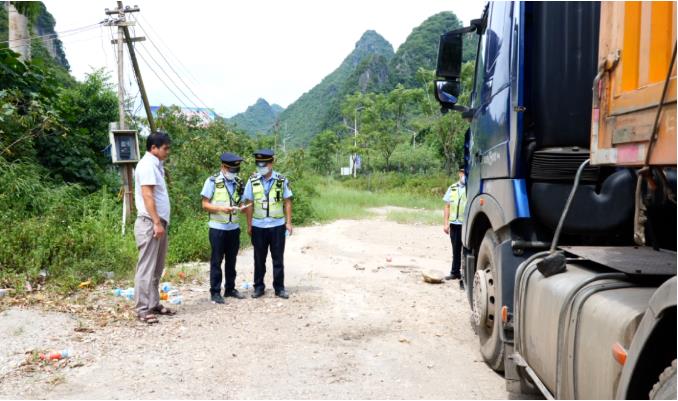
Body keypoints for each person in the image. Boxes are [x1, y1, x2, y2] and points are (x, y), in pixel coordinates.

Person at [133, 131, 174, 324]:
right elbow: (148, 195)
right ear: (153, 148)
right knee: (146, 267)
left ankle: (153, 303)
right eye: (165, 148)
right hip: (150, 223)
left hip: (158, 222)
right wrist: (157, 222)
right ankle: (142, 309)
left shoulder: (157, 165)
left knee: (157, 267)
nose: (167, 152)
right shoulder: (147, 165)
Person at [242, 149, 293, 299]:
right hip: (259, 226)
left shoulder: (281, 180)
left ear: (271, 163)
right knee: (259, 259)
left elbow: (288, 201)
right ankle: (258, 287)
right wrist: (249, 225)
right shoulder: (252, 181)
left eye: (263, 164)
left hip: (277, 225)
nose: (261, 167)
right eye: (258, 164)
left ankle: (279, 288)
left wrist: (288, 222)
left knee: (278, 259)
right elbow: (249, 204)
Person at [201, 152, 246, 304]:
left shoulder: (239, 182)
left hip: (234, 228)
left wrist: (243, 207)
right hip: (218, 228)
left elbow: (240, 202)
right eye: (231, 170)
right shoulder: (212, 181)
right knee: (216, 261)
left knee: (231, 260)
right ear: (223, 167)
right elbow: (205, 204)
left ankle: (230, 289)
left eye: (236, 170)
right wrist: (221, 208)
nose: (233, 173)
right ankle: (215, 292)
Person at [443, 165, 467, 284]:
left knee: (466, 251)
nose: (464, 175)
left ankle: (465, 277)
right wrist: (446, 224)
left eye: (466, 173)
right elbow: (447, 206)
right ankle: (455, 272)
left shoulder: (470, 188)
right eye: (463, 172)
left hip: (466, 224)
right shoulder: (452, 188)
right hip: (454, 224)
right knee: (456, 250)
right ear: (459, 173)